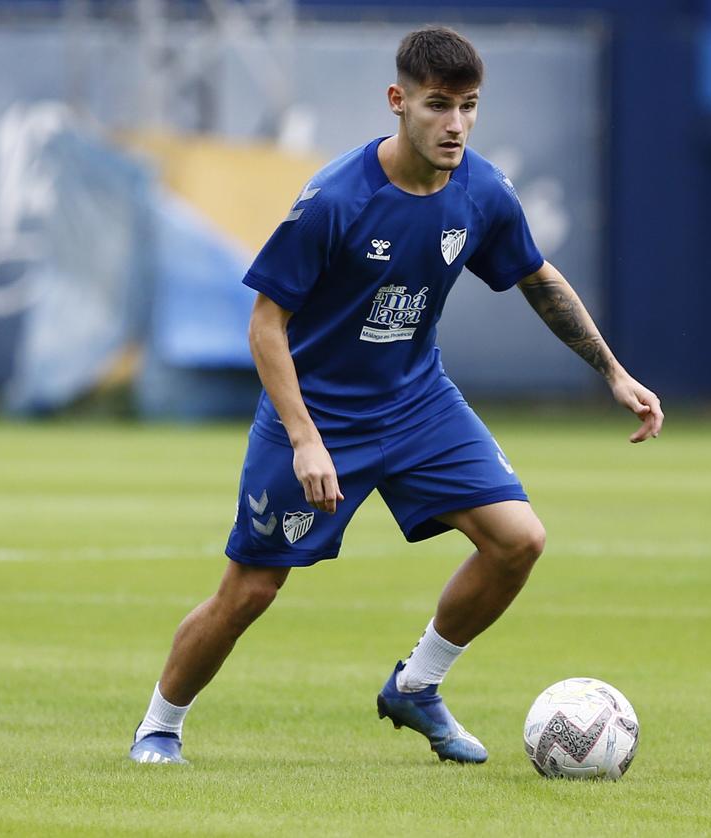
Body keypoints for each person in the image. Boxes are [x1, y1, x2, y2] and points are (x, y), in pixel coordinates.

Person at [128, 26, 663, 766]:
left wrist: (613, 372)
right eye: (438, 105)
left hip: (418, 404)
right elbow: (266, 326)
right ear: (398, 101)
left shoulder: (482, 191)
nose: (455, 125)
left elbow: (537, 277)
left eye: (469, 107)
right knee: (249, 593)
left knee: (519, 540)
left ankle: (417, 684)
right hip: (320, 416)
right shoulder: (335, 200)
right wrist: (306, 437)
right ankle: (159, 726)